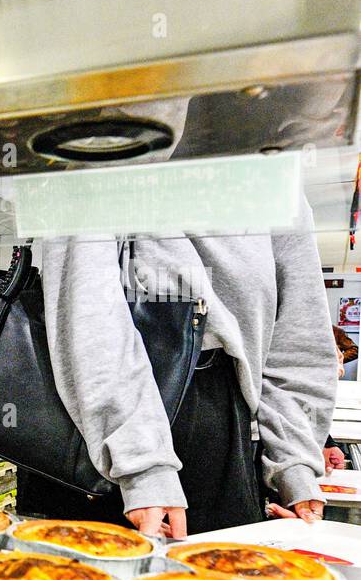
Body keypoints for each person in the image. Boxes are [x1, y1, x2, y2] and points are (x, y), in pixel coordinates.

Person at [23, 201, 336, 537]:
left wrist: (296, 465)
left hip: (219, 409)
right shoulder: (111, 156)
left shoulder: (274, 167)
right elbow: (87, 310)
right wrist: (143, 468)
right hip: (99, 404)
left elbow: (295, 334)